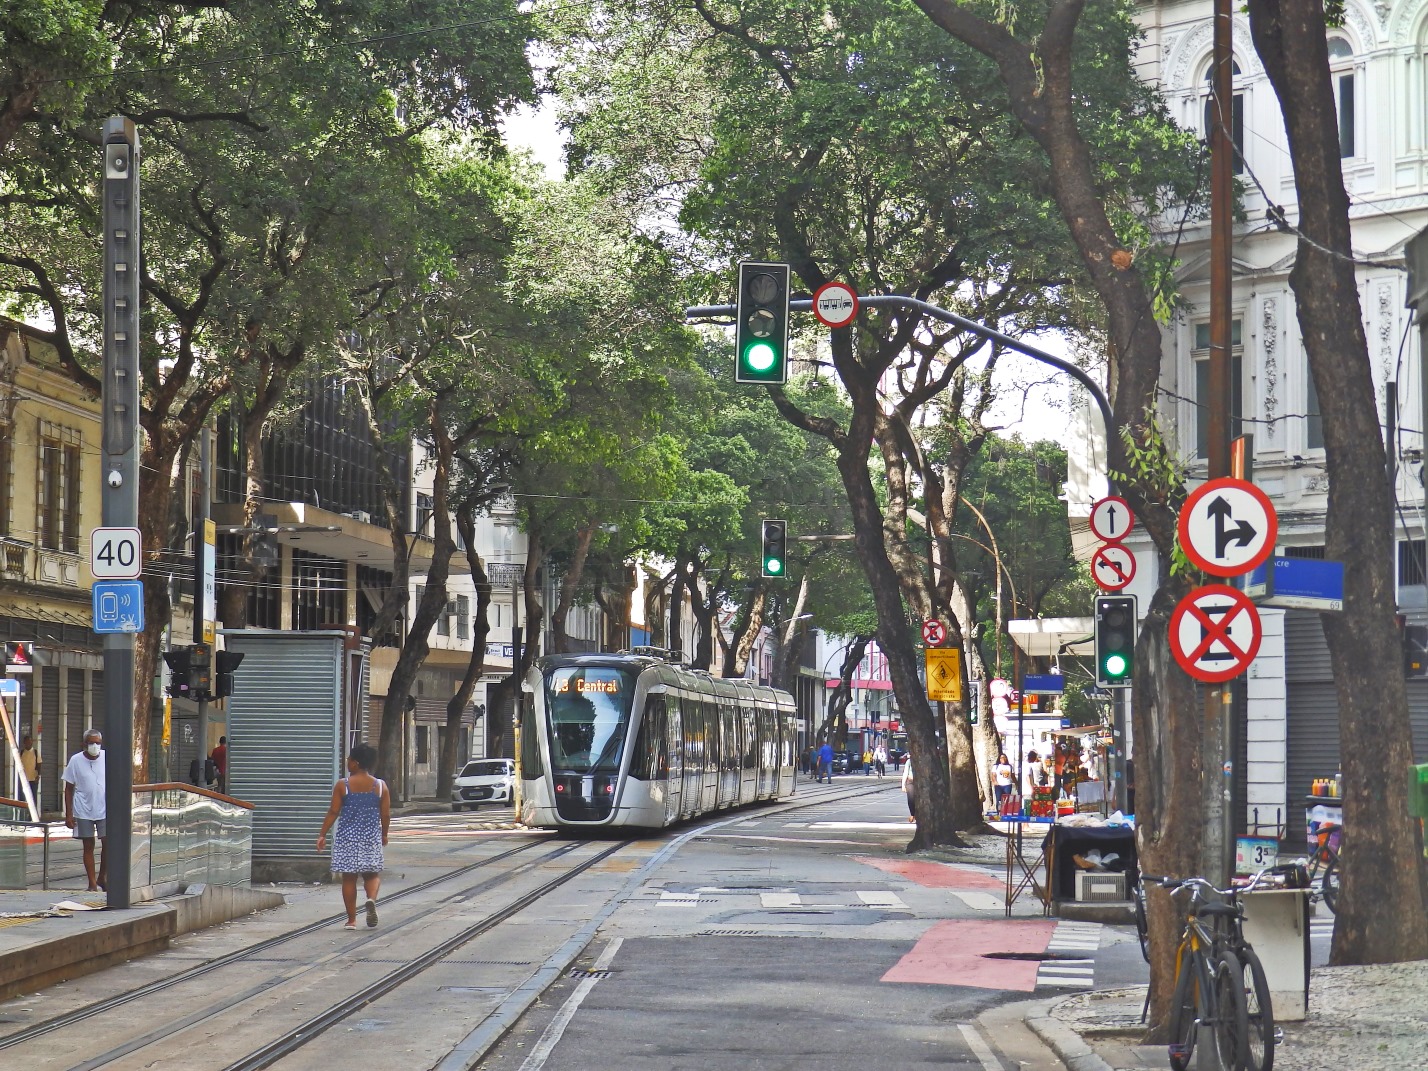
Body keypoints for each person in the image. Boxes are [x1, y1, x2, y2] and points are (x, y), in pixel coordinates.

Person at [316, 743, 390, 929]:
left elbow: (333, 811)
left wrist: (322, 834)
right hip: (370, 837)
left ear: (355, 763)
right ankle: (371, 899)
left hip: (347, 838)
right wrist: (384, 835)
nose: (347, 763)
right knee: (372, 875)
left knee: (349, 878)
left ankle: (351, 920)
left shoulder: (343, 785)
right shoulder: (380, 786)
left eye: (349, 760)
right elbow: (385, 815)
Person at [63, 729, 107, 892]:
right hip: (83, 810)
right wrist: (69, 814)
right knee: (88, 845)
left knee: (108, 843)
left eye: (97, 742)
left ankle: (103, 877)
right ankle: (92, 883)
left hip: (104, 808)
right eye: (91, 742)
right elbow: (68, 788)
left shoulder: (106, 758)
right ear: (84, 744)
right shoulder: (75, 760)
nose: (94, 746)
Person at [19, 733, 40, 812]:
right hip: (23, 780)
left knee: (33, 798)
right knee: (23, 798)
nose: (28, 743)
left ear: (32, 742)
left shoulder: (35, 752)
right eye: (26, 742)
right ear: (24, 743)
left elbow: (39, 764)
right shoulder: (21, 753)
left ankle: (33, 815)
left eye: (29, 741)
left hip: (33, 780)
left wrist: (38, 776)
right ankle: (23, 814)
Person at [901, 756, 916, 823]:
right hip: (910, 781)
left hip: (920, 782)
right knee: (911, 799)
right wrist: (903, 785)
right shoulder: (909, 761)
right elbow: (905, 773)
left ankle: (917, 815)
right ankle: (912, 814)